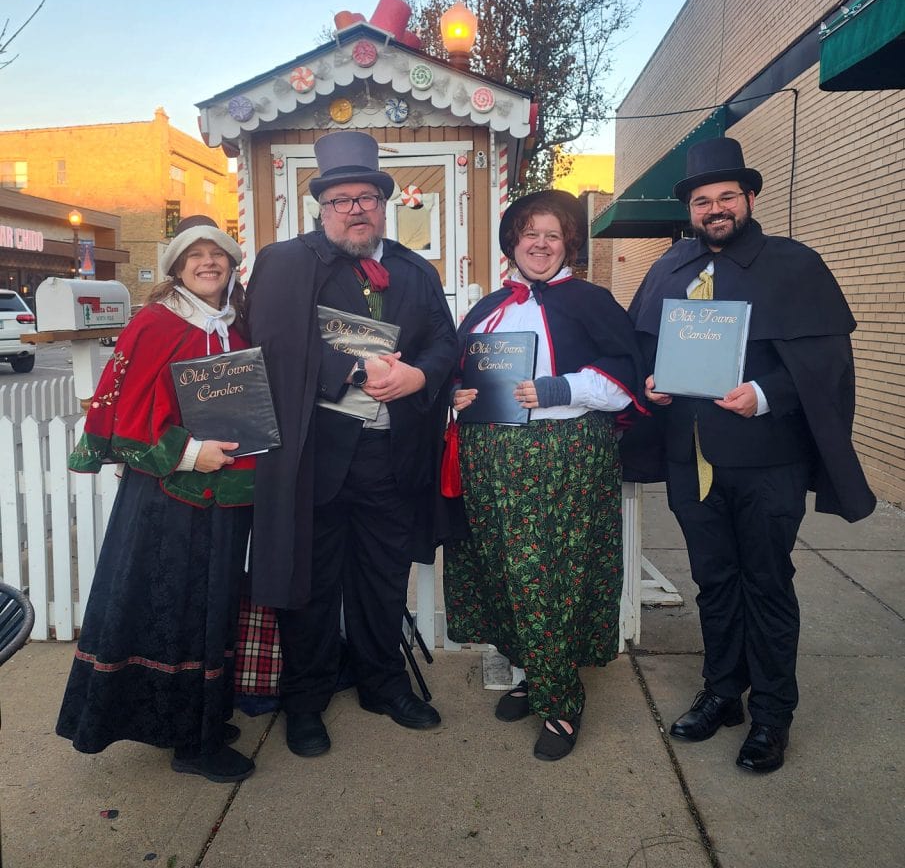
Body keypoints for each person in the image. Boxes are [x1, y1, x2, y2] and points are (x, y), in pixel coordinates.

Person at [628, 137, 876, 774]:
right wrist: (649, 384)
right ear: (690, 209)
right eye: (702, 200)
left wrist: (765, 394)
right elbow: (643, 348)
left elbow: (827, 366)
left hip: (767, 461)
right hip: (693, 460)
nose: (715, 209)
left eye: (726, 198)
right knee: (713, 581)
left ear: (750, 199)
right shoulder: (670, 268)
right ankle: (722, 692)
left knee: (766, 583)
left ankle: (771, 712)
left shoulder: (794, 265)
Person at [246, 131, 457, 757]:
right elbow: (275, 339)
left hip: (391, 454)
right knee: (309, 584)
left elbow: (445, 342)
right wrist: (356, 371)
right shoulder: (288, 261)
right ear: (321, 206)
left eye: (367, 197)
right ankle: (305, 700)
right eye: (342, 199)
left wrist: (418, 375)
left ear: (385, 204)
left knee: (381, 577)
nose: (356, 208)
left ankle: (381, 682)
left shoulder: (415, 269)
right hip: (316, 456)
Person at [443, 190, 647, 761]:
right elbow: (462, 374)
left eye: (552, 235)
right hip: (492, 462)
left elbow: (624, 381)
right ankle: (536, 674)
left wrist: (560, 388)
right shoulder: (487, 309)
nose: (540, 243)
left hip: (564, 458)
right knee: (507, 574)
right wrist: (457, 394)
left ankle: (562, 702)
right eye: (530, 233)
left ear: (568, 245)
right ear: (514, 242)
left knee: (551, 576)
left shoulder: (593, 301)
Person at [57, 215, 257, 783]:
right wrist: (193, 455)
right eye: (194, 256)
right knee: (177, 610)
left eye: (216, 254)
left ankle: (201, 720)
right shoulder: (155, 323)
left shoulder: (235, 327)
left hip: (224, 497)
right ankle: (187, 744)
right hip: (168, 499)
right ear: (175, 267)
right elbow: (129, 418)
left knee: (214, 606)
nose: (207, 263)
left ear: (231, 264)